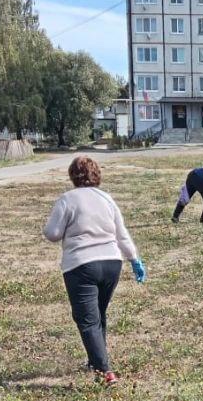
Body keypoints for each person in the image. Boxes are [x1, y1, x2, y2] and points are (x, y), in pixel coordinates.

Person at [42, 156, 146, 386]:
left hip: (82, 266)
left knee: (87, 320)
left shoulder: (67, 200)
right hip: (111, 263)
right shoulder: (107, 199)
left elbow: (52, 233)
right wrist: (134, 259)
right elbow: (122, 233)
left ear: (72, 176)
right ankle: (95, 360)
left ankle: (106, 372)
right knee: (97, 315)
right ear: (97, 174)